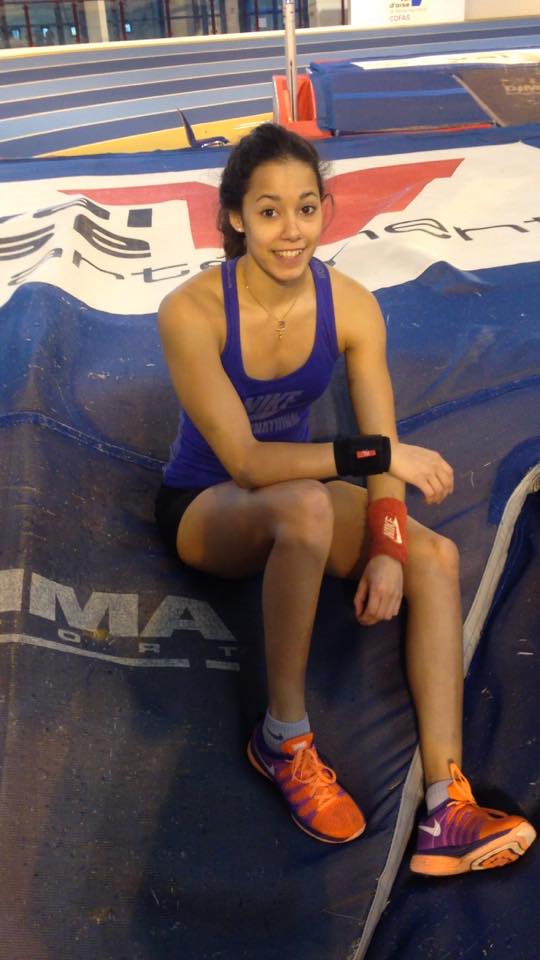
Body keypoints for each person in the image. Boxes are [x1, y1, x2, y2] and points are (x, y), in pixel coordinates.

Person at [156, 123, 535, 874]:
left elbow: (378, 437)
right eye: (269, 212)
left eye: (306, 208)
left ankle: (446, 807)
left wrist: (389, 547)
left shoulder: (353, 306)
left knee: (435, 555)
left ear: (326, 210)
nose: (291, 231)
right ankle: (282, 738)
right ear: (234, 217)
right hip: (208, 505)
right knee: (306, 502)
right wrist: (378, 457)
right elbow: (248, 462)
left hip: (303, 490)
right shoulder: (191, 311)